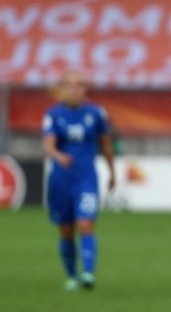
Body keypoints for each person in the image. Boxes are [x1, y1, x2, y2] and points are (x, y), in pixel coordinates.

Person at [42, 71, 117, 291]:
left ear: (85, 89)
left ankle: (88, 273)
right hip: (60, 180)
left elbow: (106, 145)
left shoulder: (96, 113)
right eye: (69, 85)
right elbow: (48, 144)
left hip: (86, 179)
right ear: (62, 88)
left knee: (85, 224)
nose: (74, 89)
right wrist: (57, 155)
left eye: (78, 85)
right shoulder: (53, 114)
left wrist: (113, 173)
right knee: (65, 229)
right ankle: (72, 276)